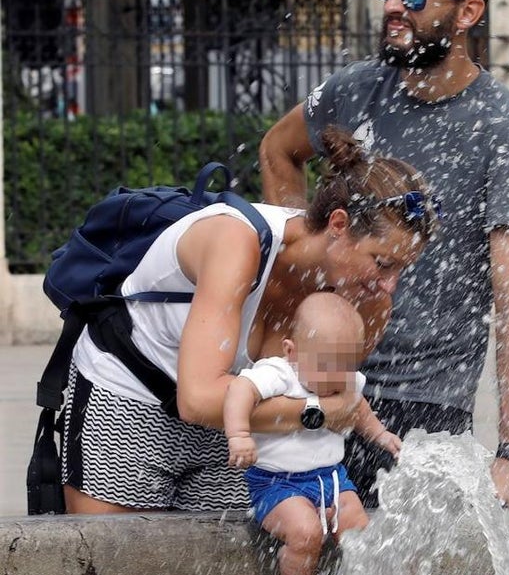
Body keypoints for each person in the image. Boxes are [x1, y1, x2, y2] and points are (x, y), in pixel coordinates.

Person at [259, 0, 509, 508]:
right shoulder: (354, 89)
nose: (393, 5)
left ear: (467, 12)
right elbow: (277, 151)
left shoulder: (504, 131)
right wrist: (305, 281)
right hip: (322, 381)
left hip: (424, 406)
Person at [62, 128, 439, 515]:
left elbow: (332, 394)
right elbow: (199, 399)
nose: (390, 286)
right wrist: (318, 414)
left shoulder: (368, 302)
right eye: (383, 263)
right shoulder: (236, 241)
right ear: (339, 225)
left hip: (241, 424)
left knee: (233, 553)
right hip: (132, 397)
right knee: (112, 550)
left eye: (402, 270)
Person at [224, 291, 403, 575]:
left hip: (332, 478)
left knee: (360, 530)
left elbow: (359, 407)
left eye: (345, 367)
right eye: (323, 366)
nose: (334, 379)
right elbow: (239, 390)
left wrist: (380, 434)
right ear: (291, 351)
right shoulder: (279, 373)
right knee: (306, 534)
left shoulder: (342, 378)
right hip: (278, 484)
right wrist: (239, 435)